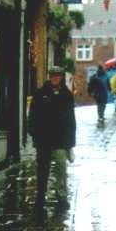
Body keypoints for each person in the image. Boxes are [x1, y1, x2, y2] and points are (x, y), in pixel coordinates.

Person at [27, 66, 76, 216]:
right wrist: (34, 133)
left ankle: (61, 197)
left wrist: (70, 142)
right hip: (43, 139)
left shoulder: (66, 95)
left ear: (61, 77)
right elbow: (33, 115)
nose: (55, 78)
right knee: (42, 169)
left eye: (58, 75)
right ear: (49, 77)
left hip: (60, 140)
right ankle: (40, 197)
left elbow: (70, 119)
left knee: (61, 167)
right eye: (53, 75)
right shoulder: (41, 93)